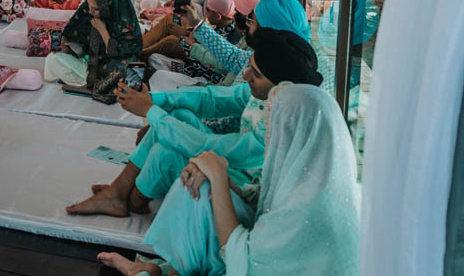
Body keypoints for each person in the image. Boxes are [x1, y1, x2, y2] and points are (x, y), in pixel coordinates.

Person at [95, 83, 358, 276]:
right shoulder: (315, 184)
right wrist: (219, 176)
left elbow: (240, 256)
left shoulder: (304, 210)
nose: (271, 137)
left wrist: (220, 178)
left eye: (276, 128)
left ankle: (159, 274)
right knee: (197, 183)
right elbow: (212, 100)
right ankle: (166, 273)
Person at [67, 26, 322, 217]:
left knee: (167, 152)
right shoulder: (267, 95)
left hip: (242, 193)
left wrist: (152, 111)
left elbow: (206, 145)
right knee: (180, 116)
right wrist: (152, 100)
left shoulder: (278, 128)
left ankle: (128, 198)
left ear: (281, 84)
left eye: (255, 73)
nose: (244, 76)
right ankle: (119, 192)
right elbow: (212, 97)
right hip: (229, 166)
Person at [43, 0, 143, 103]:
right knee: (52, 59)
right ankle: (88, 81)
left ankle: (88, 82)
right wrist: (69, 49)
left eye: (95, 9)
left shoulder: (123, 18)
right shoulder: (88, 11)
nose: (90, 11)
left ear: (107, 6)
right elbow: (77, 38)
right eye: (89, 6)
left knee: (126, 71)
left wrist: (102, 30)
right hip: (89, 61)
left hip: (114, 63)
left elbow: (122, 54)